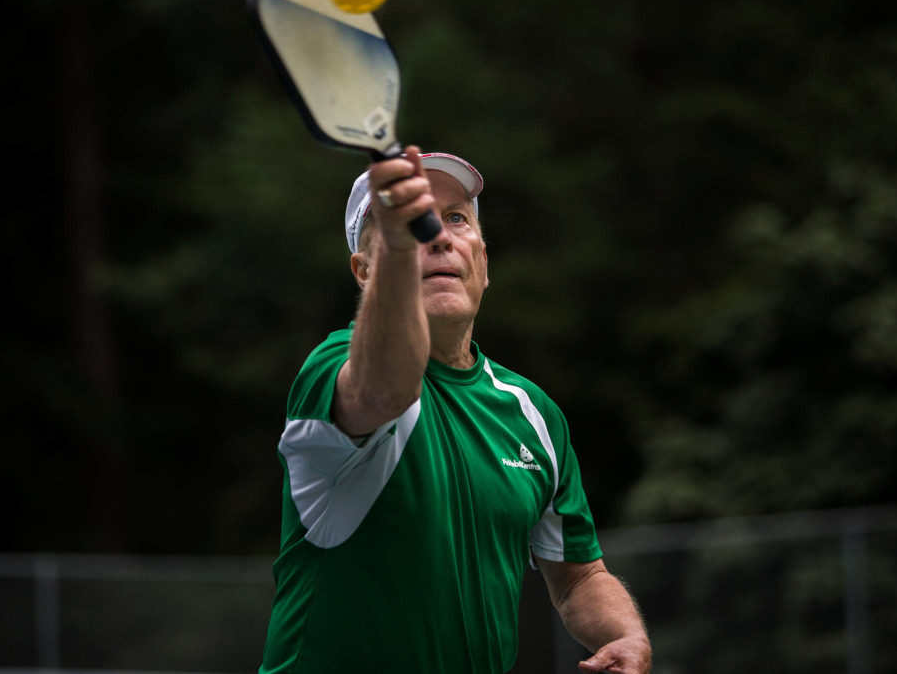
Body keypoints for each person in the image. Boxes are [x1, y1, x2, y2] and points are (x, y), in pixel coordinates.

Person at [260, 147, 651, 674]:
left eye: (457, 219)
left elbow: (579, 576)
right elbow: (381, 393)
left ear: (483, 262)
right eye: (410, 223)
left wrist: (624, 635)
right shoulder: (334, 369)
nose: (437, 235)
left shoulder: (533, 412)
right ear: (364, 269)